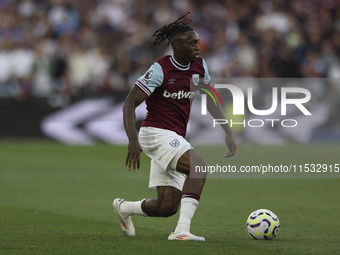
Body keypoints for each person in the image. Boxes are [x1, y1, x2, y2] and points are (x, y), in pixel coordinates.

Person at [113, 13, 236, 241]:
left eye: (198, 42)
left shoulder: (200, 67)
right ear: (178, 46)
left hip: (175, 137)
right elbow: (129, 103)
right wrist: (133, 139)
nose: (198, 46)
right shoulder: (161, 69)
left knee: (167, 207)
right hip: (155, 133)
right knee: (199, 167)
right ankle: (181, 231)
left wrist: (227, 131)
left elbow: (210, 100)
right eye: (193, 43)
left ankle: (124, 208)